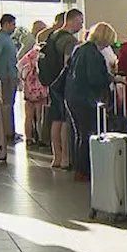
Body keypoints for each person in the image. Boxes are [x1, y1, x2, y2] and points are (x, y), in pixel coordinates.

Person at [63, 22, 116, 183]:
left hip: (72, 96)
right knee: (88, 134)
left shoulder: (80, 49)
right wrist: (111, 78)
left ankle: (80, 168)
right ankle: (84, 170)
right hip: (85, 99)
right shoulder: (94, 54)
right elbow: (95, 79)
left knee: (80, 134)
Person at [43, 9, 84, 170]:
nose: (81, 25)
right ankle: (66, 157)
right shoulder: (69, 40)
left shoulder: (53, 36)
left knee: (55, 120)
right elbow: (69, 64)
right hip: (64, 85)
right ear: (73, 20)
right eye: (80, 21)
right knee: (66, 121)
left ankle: (56, 156)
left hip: (52, 83)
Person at [0, 14, 20, 143]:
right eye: (13, 24)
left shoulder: (8, 39)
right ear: (6, 24)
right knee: (6, 105)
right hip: (4, 76)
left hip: (11, 75)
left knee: (10, 104)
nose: (14, 27)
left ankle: (11, 130)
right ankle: (7, 133)